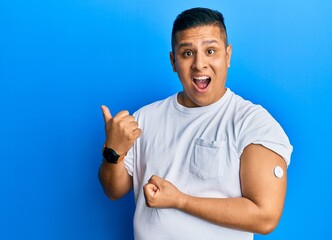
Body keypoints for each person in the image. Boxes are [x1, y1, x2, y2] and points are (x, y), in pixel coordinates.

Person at [98, 7, 293, 240]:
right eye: (187, 53)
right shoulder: (144, 119)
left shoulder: (253, 124)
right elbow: (114, 190)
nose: (199, 64)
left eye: (211, 51)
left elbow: (265, 217)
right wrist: (113, 151)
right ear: (173, 61)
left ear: (228, 56)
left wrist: (180, 200)